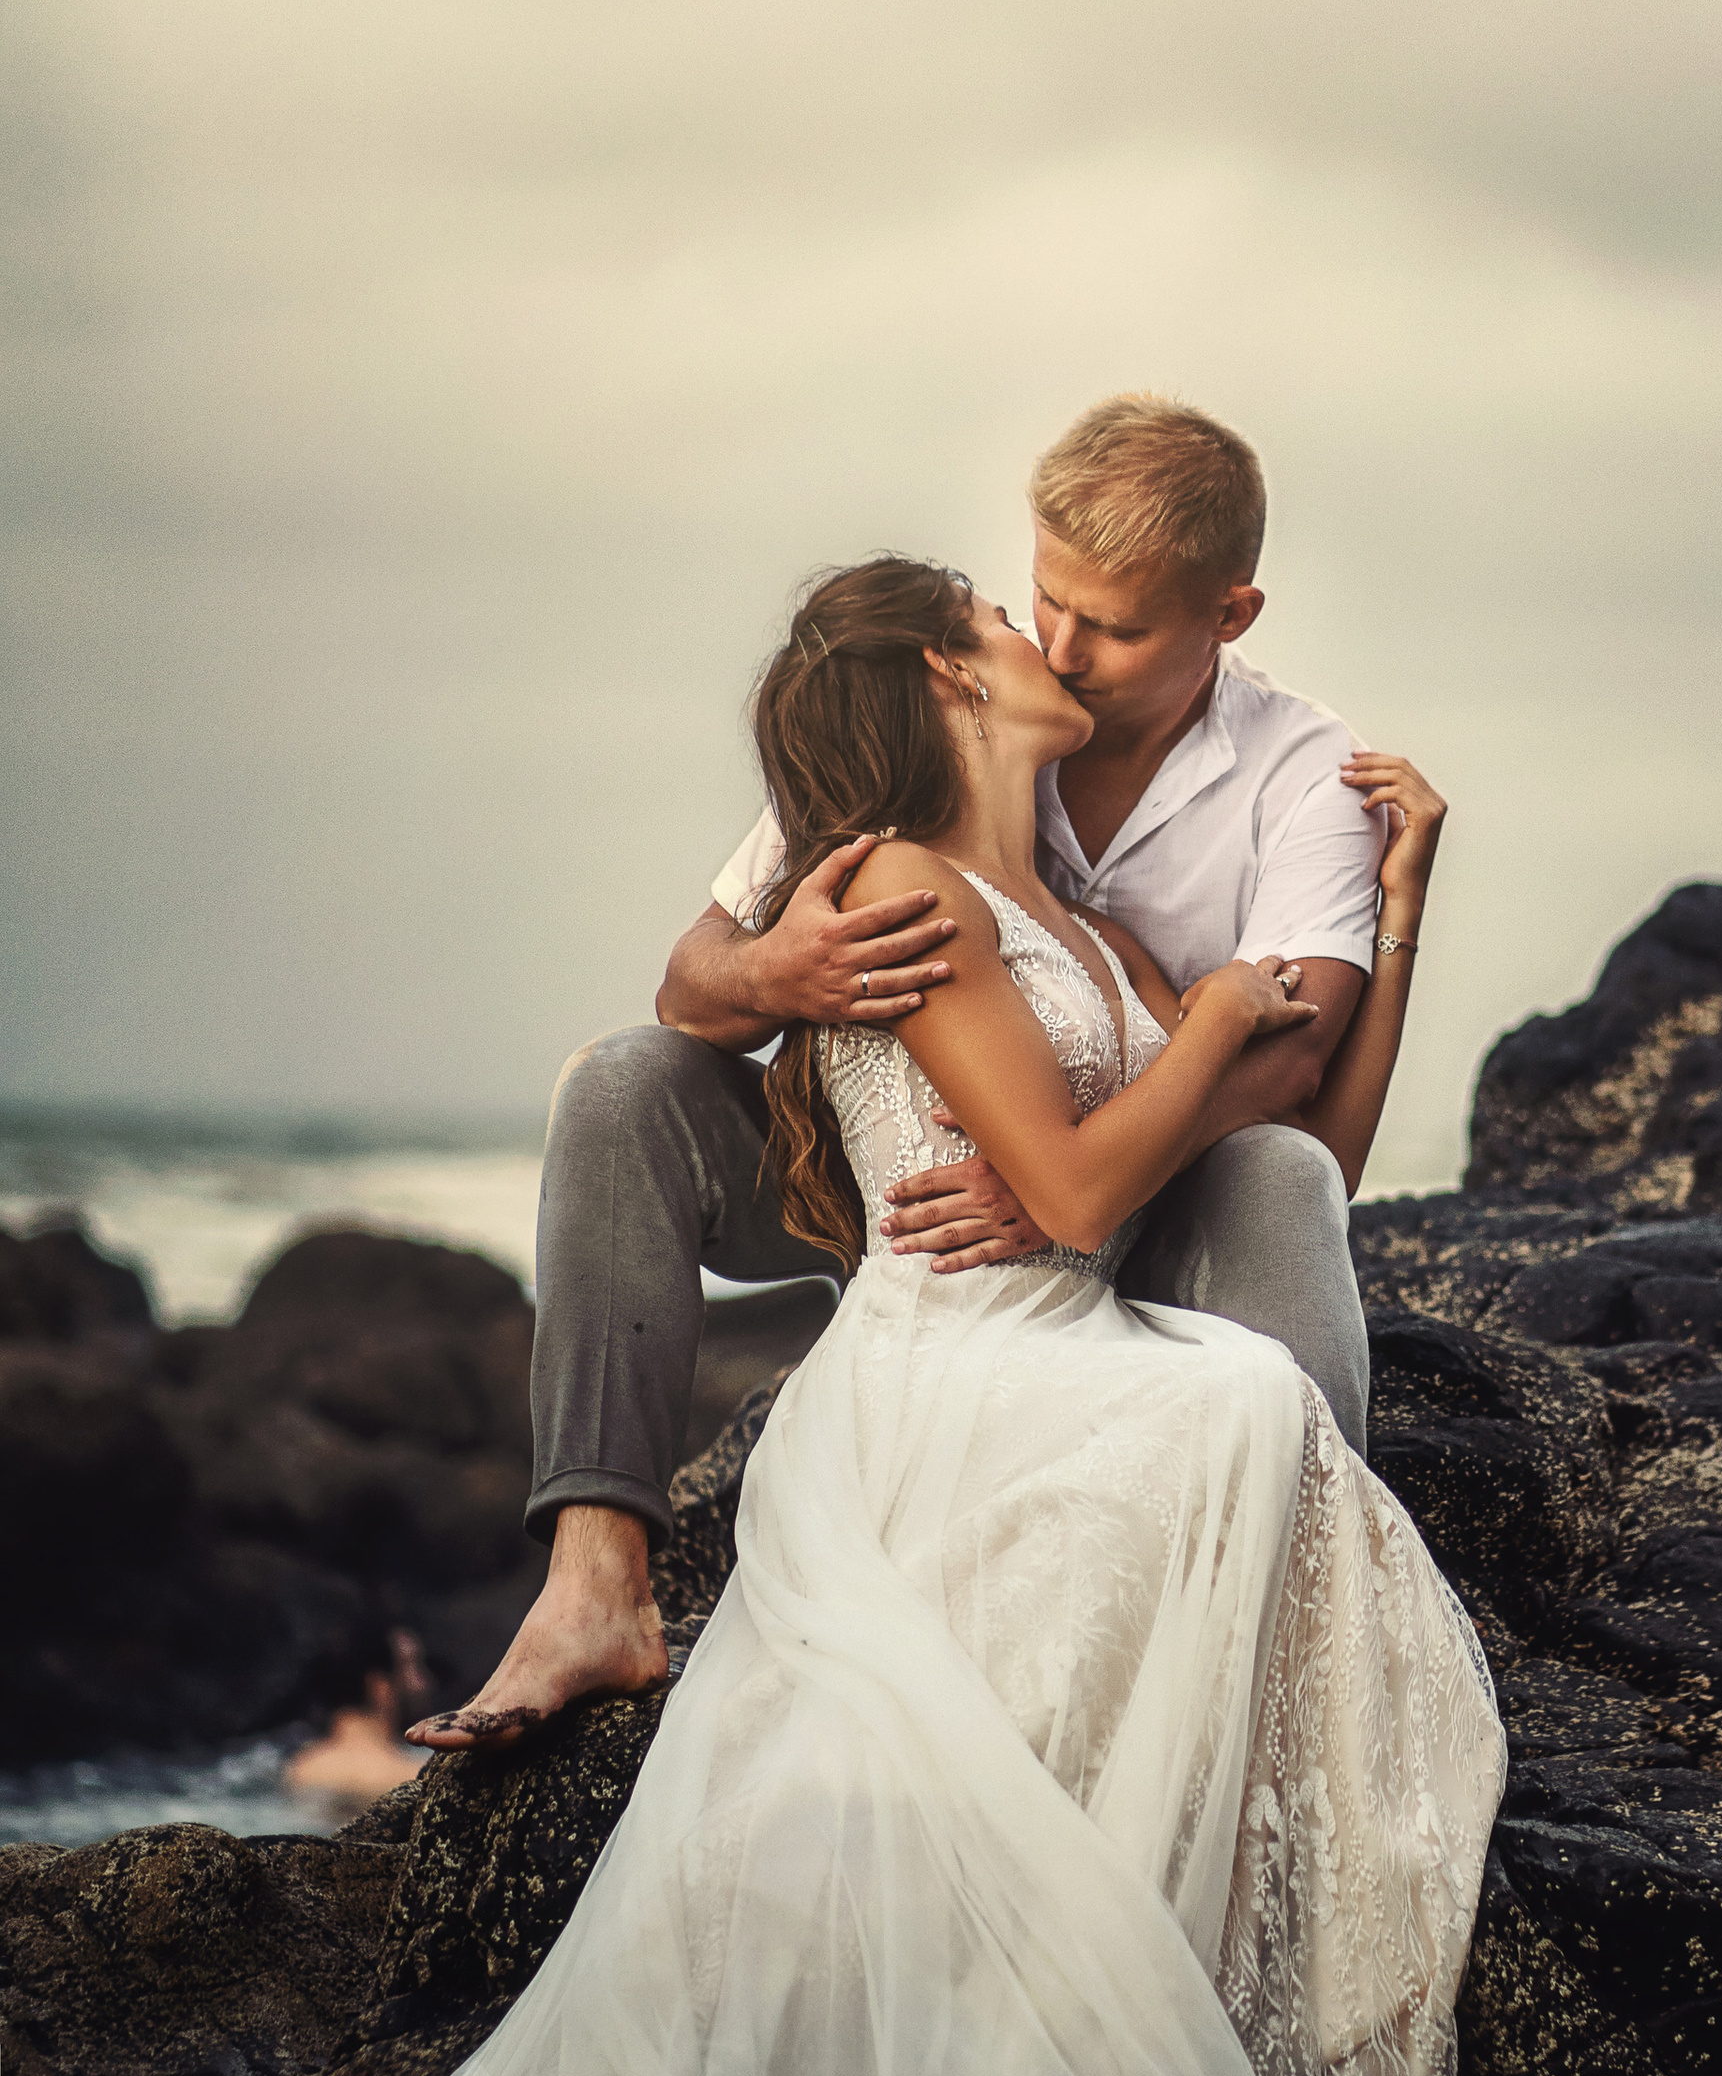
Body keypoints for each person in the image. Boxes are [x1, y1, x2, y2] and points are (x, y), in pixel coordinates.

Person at [0, 553, 1524, 2076]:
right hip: (971, 1330)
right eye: (1011, 609)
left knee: (1235, 1388)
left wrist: (1339, 926)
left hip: (1040, 1300)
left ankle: (1177, 1868)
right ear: (943, 680)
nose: (1048, 626)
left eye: (1085, 600)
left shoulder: (1120, 858)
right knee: (1191, 1410)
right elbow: (777, 1018)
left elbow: (1281, 1111)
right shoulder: (904, 866)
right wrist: (848, 989)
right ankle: (596, 1569)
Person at [424, 393, 1439, 1755]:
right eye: (1044, 604)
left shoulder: (1307, 775)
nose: (1063, 650)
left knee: (1280, 1171)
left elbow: (1299, 1048)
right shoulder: (927, 709)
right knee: (623, 1083)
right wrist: (780, 973)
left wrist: (1057, 1181)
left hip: (1137, 1204)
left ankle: (1304, 1623)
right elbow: (693, 975)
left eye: (1117, 628)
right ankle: (594, 1587)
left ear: (1228, 616)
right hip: (907, 1208)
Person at [279, 1623, 433, 1809]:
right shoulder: (413, 1777)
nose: (426, 1682)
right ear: (379, 1686)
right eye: (413, 1666)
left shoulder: (300, 1770)